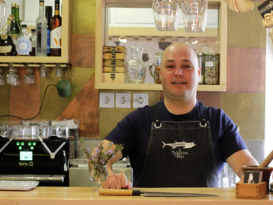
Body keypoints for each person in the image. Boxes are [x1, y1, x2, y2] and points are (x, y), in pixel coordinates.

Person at [90, 43, 258, 189]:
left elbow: (251, 170)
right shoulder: (138, 120)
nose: (178, 72)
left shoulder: (218, 121)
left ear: (198, 73)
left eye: (187, 66)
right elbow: (96, 160)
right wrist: (107, 176)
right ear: (159, 73)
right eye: (170, 66)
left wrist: (251, 181)